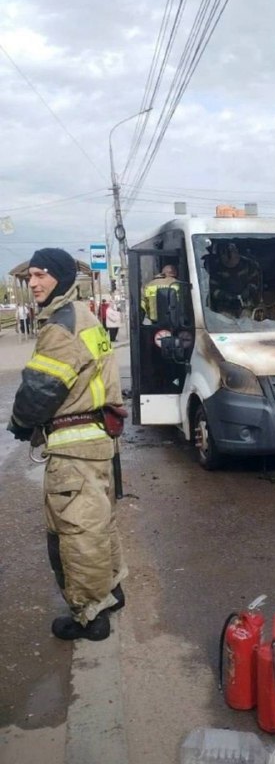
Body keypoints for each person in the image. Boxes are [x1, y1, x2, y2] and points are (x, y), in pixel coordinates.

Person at [7, 248, 128, 642]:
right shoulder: (84, 316)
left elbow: (39, 390)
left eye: (41, 274)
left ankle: (91, 615)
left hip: (73, 450)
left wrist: (20, 424)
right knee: (98, 523)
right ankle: (111, 590)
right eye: (30, 277)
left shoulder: (60, 327)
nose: (34, 283)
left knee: (76, 532)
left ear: (60, 277)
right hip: (96, 440)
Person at [209, 243, 261, 316]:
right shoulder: (216, 268)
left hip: (246, 306)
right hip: (224, 309)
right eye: (224, 252)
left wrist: (249, 290)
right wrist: (227, 296)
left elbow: (255, 282)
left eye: (232, 250)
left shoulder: (248, 264)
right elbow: (212, 289)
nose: (229, 255)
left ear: (237, 251)